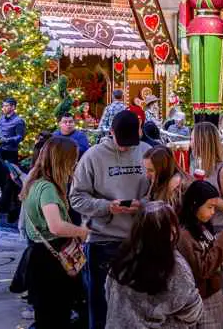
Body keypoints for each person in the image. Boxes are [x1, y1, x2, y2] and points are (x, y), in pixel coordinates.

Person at [70, 109, 150, 329]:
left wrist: (143, 204)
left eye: (130, 142)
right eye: (120, 141)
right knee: (102, 308)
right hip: (103, 242)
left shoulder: (147, 152)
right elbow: (76, 197)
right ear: (111, 132)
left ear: (140, 131)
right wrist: (106, 207)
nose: (124, 147)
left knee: (141, 305)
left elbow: (161, 191)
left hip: (140, 241)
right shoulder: (93, 156)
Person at [19, 136, 88, 327]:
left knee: (48, 316)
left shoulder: (35, 181)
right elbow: (56, 226)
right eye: (73, 158)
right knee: (55, 316)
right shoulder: (47, 188)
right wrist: (82, 232)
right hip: (50, 263)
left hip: (40, 257)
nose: (75, 163)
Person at [105, 201, 202, 326]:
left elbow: (108, 294)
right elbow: (192, 312)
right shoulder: (176, 267)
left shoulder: (123, 257)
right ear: (171, 231)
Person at [177, 180, 223, 329]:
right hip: (202, 301)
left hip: (214, 296)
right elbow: (204, 268)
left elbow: (220, 259)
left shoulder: (202, 227)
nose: (213, 212)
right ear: (194, 205)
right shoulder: (184, 235)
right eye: (210, 207)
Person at [0, 98, 26, 165]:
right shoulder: (1, 118)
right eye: (3, 106)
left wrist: (6, 140)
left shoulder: (18, 121)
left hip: (10, 153)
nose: (3, 108)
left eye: (6, 106)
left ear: (13, 107)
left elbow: (20, 137)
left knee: (11, 173)